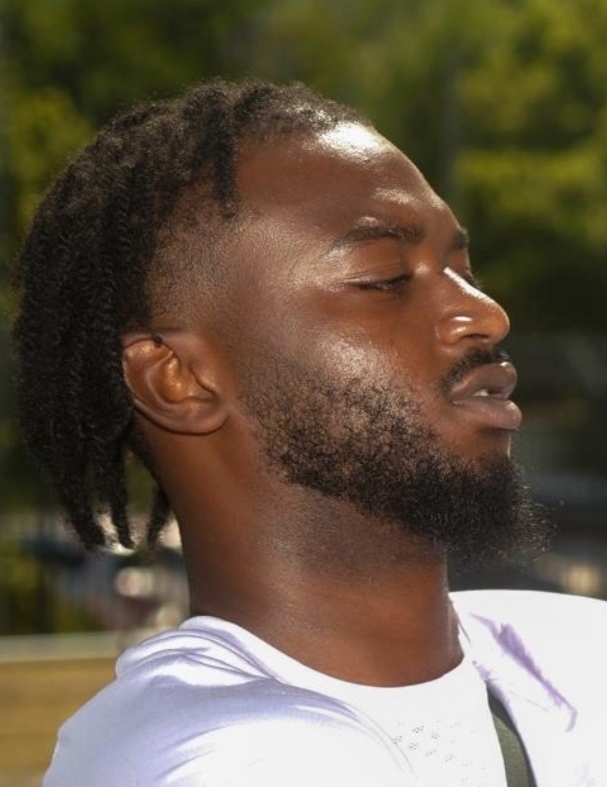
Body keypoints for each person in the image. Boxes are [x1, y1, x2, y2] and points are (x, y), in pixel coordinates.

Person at [13, 79, 605, 786]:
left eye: (462, 269)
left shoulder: (570, 652)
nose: (485, 315)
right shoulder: (209, 758)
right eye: (384, 277)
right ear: (178, 379)